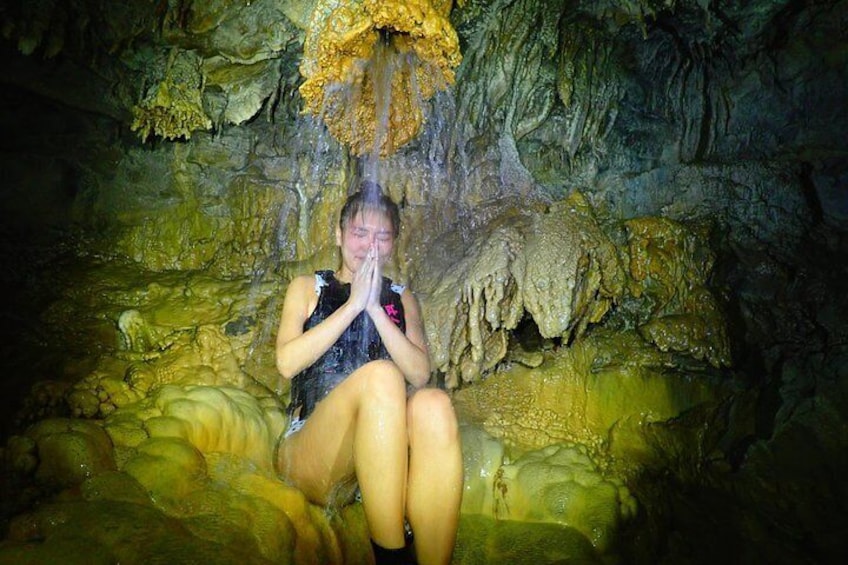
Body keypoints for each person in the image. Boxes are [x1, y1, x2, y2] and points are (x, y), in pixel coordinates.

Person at [274, 180, 463, 565]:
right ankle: (393, 557)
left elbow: (420, 372)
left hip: (379, 463)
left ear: (393, 244)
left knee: (434, 404)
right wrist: (353, 305)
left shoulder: (401, 298)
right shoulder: (308, 288)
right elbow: (288, 362)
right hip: (312, 453)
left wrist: (375, 308)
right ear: (339, 234)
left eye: (382, 236)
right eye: (360, 233)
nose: (370, 246)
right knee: (382, 377)